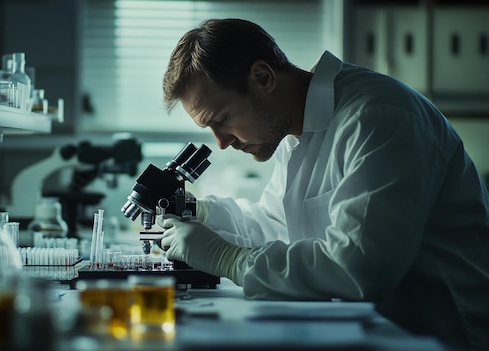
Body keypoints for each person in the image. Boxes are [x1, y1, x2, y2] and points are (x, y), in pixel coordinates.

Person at [158, 18, 489, 351]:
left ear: (263, 78)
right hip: (378, 327)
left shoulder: (378, 117)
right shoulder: (297, 130)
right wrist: (200, 213)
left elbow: (358, 267)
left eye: (223, 119)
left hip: (442, 336)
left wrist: (228, 259)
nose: (221, 143)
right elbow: (276, 227)